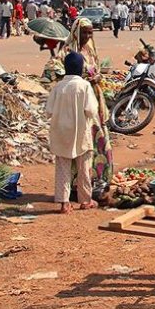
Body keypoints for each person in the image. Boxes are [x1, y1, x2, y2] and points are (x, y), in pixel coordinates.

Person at [62, 18, 114, 190]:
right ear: (76, 32)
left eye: (90, 32)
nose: (87, 35)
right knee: (80, 140)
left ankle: (97, 178)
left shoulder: (91, 50)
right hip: (78, 100)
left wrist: (97, 77)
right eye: (84, 32)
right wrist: (82, 79)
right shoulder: (68, 51)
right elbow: (60, 75)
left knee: (98, 137)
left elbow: (97, 70)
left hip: (94, 98)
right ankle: (77, 184)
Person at [46, 52, 100, 213]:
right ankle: (85, 200)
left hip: (61, 132)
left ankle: (64, 203)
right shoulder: (84, 86)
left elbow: (49, 111)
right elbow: (91, 110)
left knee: (63, 168)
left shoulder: (58, 87)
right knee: (84, 168)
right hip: (81, 132)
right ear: (81, 68)